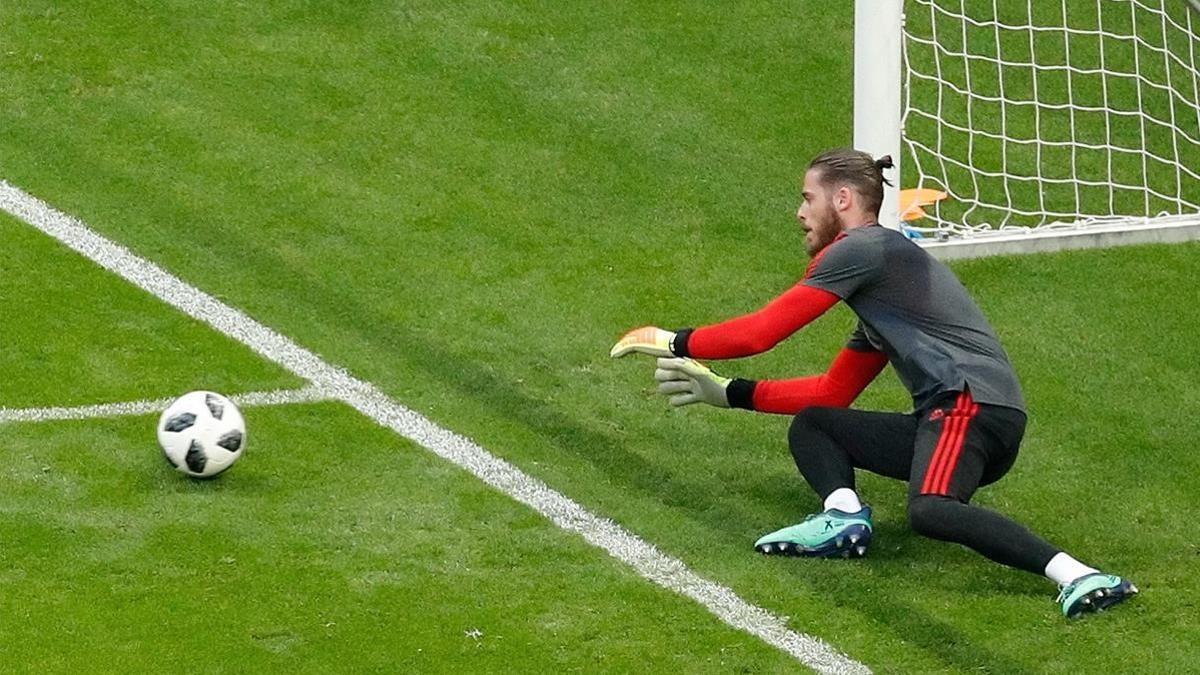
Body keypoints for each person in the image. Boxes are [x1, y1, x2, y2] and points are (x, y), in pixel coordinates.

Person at [609, 148, 1137, 618]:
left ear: (841, 199)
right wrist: (729, 393)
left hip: (968, 406)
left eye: (806, 198)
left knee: (931, 509)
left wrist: (673, 339)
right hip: (961, 414)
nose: (799, 213)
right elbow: (830, 395)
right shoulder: (885, 292)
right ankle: (842, 518)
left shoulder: (862, 249)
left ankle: (1081, 576)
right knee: (817, 426)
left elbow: (762, 332)